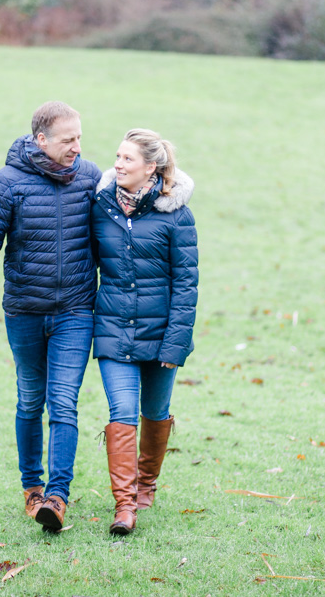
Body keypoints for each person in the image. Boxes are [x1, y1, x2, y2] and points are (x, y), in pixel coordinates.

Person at [0, 101, 102, 532]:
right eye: (68, 140)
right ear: (40, 140)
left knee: (63, 402)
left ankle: (57, 498)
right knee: (30, 399)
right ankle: (32, 488)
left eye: (80, 137)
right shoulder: (7, 184)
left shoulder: (91, 179)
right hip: (25, 311)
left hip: (76, 312)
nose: (77, 147)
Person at [91, 128, 198, 535]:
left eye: (127, 159)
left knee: (154, 413)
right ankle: (125, 505)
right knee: (121, 414)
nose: (117, 165)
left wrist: (176, 342)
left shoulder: (176, 215)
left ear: (150, 167)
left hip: (162, 334)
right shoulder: (100, 207)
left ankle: (147, 483)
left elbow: (187, 286)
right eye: (116, 157)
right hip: (114, 331)